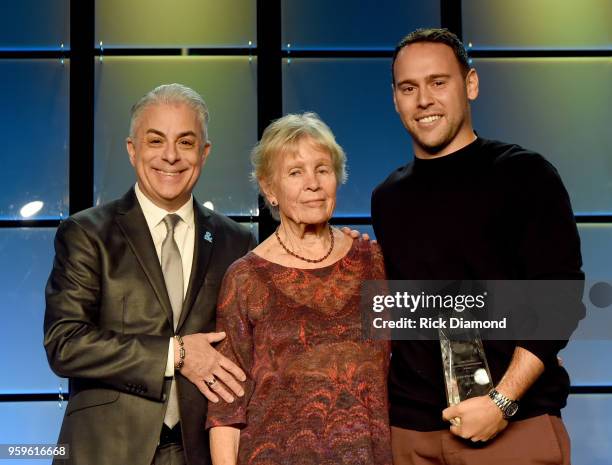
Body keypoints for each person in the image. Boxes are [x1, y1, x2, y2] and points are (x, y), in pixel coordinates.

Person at [371, 28, 584, 465]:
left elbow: (559, 298)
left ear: (470, 84)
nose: (423, 99)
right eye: (408, 88)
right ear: (395, 99)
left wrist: (501, 402)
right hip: (410, 434)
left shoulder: (525, 175)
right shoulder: (387, 197)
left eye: (438, 82)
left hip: (511, 427)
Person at [44, 83, 255, 465]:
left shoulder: (236, 241)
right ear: (132, 149)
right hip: (105, 450)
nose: (171, 156)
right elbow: (65, 343)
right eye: (155, 140)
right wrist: (176, 353)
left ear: (204, 153)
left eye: (186, 142)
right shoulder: (86, 233)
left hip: (203, 452)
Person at [206, 112, 392, 465]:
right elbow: (225, 412)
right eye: (295, 172)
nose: (313, 183)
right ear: (269, 188)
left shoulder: (373, 263)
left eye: (323, 169)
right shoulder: (246, 278)